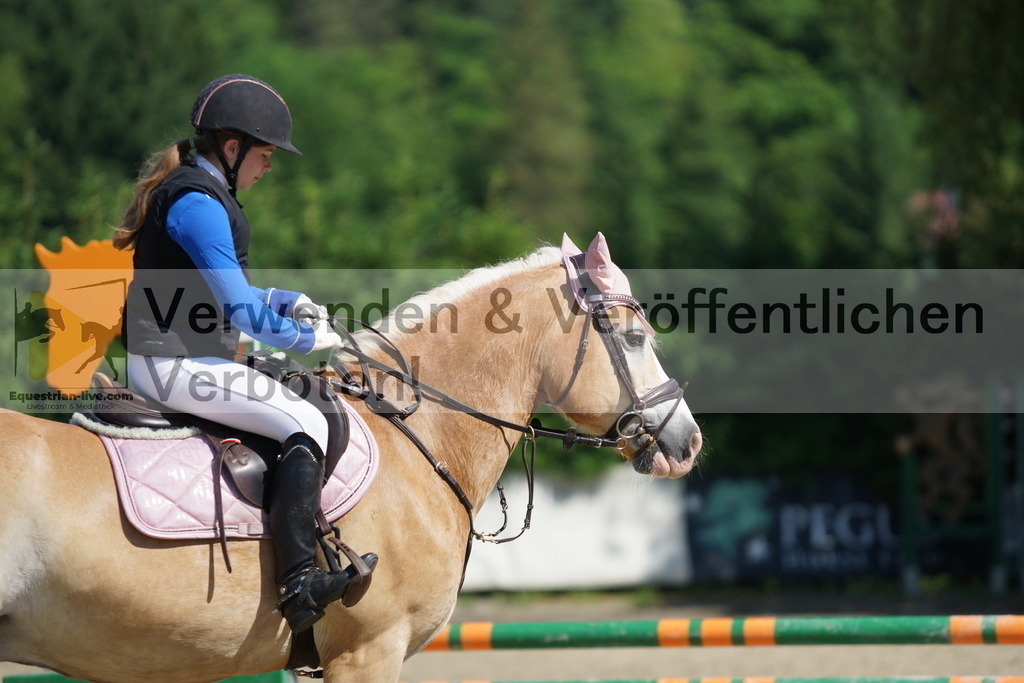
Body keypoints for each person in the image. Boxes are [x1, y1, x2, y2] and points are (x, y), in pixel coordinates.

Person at [113, 74, 376, 633]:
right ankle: (298, 584)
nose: (270, 165)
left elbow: (229, 289)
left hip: (187, 357)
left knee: (302, 405)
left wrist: (284, 298)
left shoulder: (203, 195)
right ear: (231, 149)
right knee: (305, 423)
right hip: (174, 364)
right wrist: (311, 339)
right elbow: (239, 313)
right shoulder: (196, 203)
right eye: (264, 153)